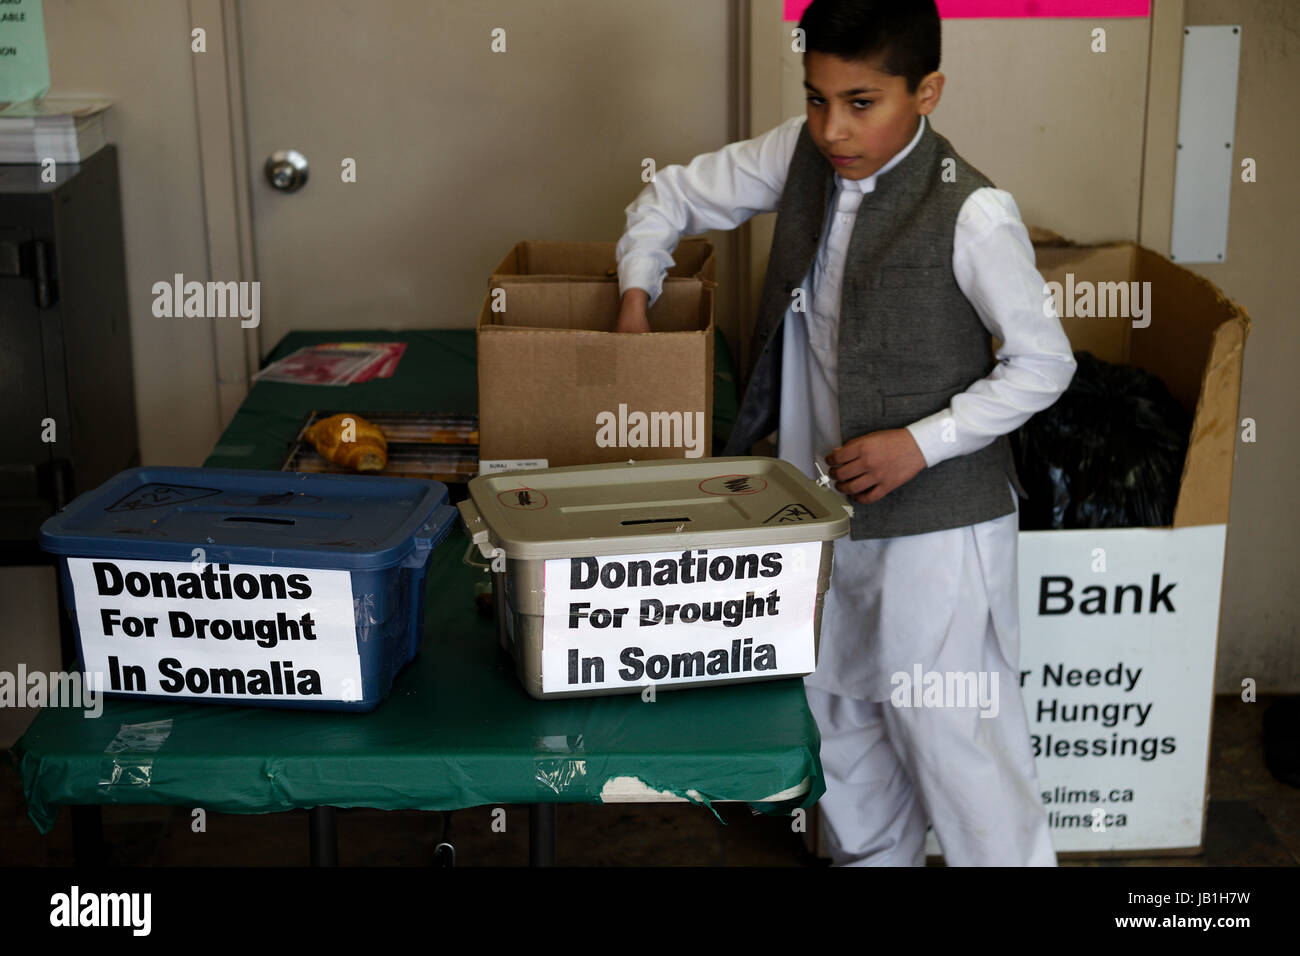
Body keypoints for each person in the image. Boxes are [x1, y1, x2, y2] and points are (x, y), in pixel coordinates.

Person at [613, 0, 1074, 866]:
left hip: (939, 526)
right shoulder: (800, 154)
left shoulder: (972, 212)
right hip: (816, 510)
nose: (833, 126)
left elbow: (1045, 364)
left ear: (926, 92)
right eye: (818, 98)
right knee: (841, 721)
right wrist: (639, 295)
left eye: (862, 102)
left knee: (954, 741)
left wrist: (921, 442)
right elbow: (669, 195)